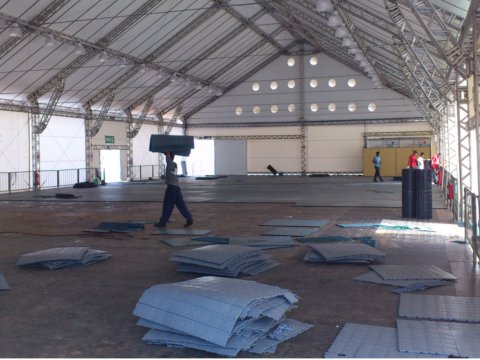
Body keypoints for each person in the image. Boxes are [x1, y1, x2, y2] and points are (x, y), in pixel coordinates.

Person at [155, 151, 193, 227]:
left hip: (171, 188)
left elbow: (168, 158)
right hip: (176, 188)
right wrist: (164, 177)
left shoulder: (171, 164)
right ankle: (189, 219)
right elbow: (171, 175)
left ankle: (162, 222)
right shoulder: (174, 165)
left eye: (167, 156)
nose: (166, 157)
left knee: (167, 205)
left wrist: (167, 152)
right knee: (181, 205)